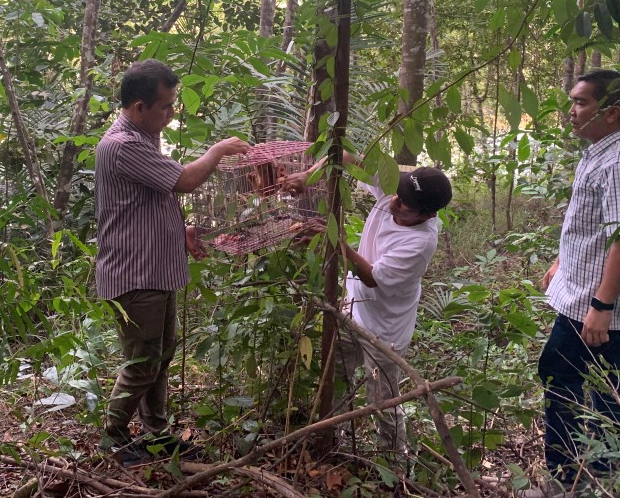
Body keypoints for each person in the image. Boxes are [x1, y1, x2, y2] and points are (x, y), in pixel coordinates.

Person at [94, 59, 249, 465]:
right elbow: (183, 181)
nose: (170, 114)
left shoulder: (144, 138)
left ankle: (157, 435)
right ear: (139, 106)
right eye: (164, 106)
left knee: (160, 354)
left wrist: (181, 231)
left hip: (155, 267)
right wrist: (217, 150)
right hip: (135, 272)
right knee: (142, 362)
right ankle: (113, 440)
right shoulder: (122, 145)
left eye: (172, 105)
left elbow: (151, 198)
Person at [523, 70, 620, 497]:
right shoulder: (601, 151)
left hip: (599, 299)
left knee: (559, 372)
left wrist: (602, 306)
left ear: (611, 112)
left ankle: (567, 478)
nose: (571, 111)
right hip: (587, 286)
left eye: (581, 103)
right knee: (604, 377)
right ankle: (602, 468)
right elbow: (596, 224)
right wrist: (563, 260)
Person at [281, 154, 452, 459]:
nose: (394, 202)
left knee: (382, 400)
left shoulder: (420, 242)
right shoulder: (395, 193)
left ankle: (391, 461)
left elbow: (373, 277)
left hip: (385, 332)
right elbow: (343, 156)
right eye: (398, 193)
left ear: (426, 215)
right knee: (336, 378)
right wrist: (307, 177)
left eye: (406, 204)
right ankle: (336, 444)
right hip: (352, 309)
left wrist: (333, 240)